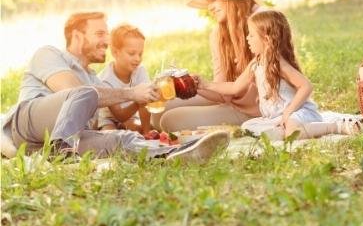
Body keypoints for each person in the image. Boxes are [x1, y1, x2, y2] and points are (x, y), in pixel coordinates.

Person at [0, 12, 228, 162]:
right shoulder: (48, 54)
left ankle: (177, 154)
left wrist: (145, 97)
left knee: (123, 140)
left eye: (107, 34)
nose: (107, 41)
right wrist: (131, 93)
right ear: (77, 37)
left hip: (52, 144)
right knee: (85, 93)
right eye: (100, 33)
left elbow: (108, 111)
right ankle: (64, 150)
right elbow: (71, 92)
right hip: (27, 126)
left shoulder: (94, 80)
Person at [197, 10, 362, 140]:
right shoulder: (256, 63)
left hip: (298, 112)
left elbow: (306, 86)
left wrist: (289, 112)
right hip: (276, 117)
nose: (247, 38)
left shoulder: (278, 63)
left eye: (252, 35)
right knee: (250, 127)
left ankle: (336, 126)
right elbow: (234, 87)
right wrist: (206, 85)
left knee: (292, 133)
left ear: (267, 40)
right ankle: (287, 129)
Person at [154, 0, 263, 132]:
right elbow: (221, 93)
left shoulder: (261, 25)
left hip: (255, 110)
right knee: (159, 109)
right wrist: (196, 85)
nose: (210, 7)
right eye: (208, 1)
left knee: (171, 120)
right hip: (231, 99)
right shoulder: (219, 34)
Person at [98, 24, 151, 133]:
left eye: (140, 54)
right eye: (132, 53)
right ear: (115, 53)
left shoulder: (140, 71)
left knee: (138, 132)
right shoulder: (105, 80)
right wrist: (139, 100)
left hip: (131, 117)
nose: (137, 59)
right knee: (112, 136)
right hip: (108, 120)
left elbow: (145, 106)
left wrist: (147, 133)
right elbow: (120, 116)